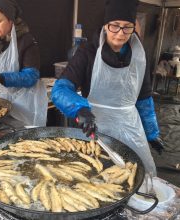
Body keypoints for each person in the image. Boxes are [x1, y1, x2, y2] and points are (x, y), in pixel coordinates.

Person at [51, 0, 164, 175]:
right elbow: (60, 89)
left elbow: (143, 97)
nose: (121, 33)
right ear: (105, 25)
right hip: (94, 126)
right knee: (94, 174)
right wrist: (79, 110)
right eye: (115, 26)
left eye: (127, 27)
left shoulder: (139, 55)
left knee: (138, 175)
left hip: (129, 127)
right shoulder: (87, 52)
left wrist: (151, 133)